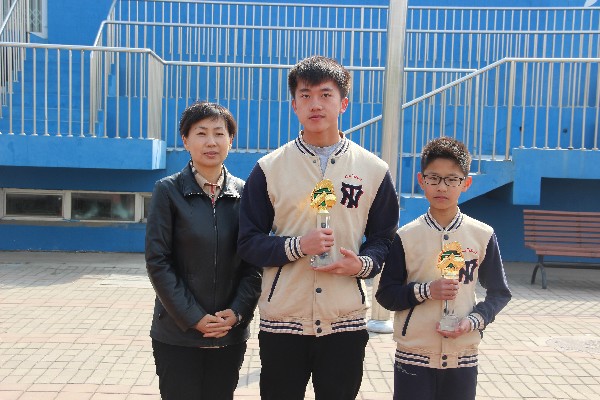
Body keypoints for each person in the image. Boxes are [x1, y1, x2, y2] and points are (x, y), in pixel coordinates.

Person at [237, 55, 400, 399]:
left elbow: (384, 238)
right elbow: (248, 242)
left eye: (325, 95)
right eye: (305, 95)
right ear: (294, 105)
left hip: (345, 320)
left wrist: (363, 264)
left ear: (343, 103)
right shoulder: (269, 168)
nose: (315, 104)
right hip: (284, 319)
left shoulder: (373, 170)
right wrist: (297, 246)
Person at [375, 137, 512, 400]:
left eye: (452, 179)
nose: (442, 187)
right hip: (414, 354)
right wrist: (426, 291)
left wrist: (474, 321)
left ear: (466, 183)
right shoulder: (406, 236)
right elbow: (386, 295)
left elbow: (499, 293)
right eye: (434, 178)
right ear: (421, 180)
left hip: (462, 354)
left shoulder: (482, 235)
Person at [145, 101, 262, 400]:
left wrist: (237, 313)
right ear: (185, 140)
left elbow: (254, 264)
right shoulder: (167, 191)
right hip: (178, 334)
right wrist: (193, 317)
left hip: (228, 333)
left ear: (230, 140)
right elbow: (158, 261)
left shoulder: (246, 194)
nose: (211, 142)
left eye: (219, 133)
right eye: (201, 133)